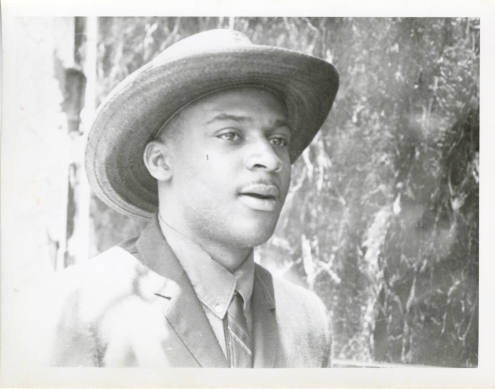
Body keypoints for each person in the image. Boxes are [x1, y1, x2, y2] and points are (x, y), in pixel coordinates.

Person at [37, 28, 339, 368]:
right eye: (231, 135)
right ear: (161, 161)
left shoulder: (307, 321)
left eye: (278, 139)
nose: (269, 159)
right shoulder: (83, 309)